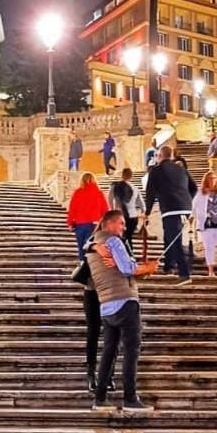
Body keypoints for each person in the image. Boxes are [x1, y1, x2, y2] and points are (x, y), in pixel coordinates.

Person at [85, 209, 158, 412]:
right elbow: (126, 269)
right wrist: (147, 268)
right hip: (125, 301)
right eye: (121, 223)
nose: (124, 228)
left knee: (109, 351)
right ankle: (130, 398)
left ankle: (100, 398)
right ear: (109, 224)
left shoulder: (92, 247)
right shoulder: (113, 242)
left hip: (106, 306)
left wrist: (136, 268)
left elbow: (119, 268)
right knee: (131, 350)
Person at [145, 145, 197, 285]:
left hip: (170, 209)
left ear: (159, 156)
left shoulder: (155, 171)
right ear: (172, 156)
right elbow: (194, 188)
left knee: (175, 240)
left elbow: (150, 193)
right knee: (170, 236)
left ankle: (184, 273)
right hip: (185, 208)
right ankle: (168, 265)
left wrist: (147, 212)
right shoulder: (181, 169)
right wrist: (187, 202)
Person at [67, 172, 109, 259]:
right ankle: (91, 267)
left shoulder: (78, 192)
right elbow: (105, 210)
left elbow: (72, 209)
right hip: (95, 224)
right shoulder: (99, 193)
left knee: (82, 247)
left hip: (80, 224)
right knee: (92, 247)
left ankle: (83, 266)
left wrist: (70, 223)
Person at [110, 167, 145, 246]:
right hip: (133, 216)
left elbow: (110, 199)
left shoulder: (115, 186)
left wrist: (112, 210)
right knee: (128, 237)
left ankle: (124, 255)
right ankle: (130, 254)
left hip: (120, 215)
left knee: (121, 237)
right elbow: (141, 203)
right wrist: (144, 213)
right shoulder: (135, 188)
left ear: (122, 175)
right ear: (131, 176)